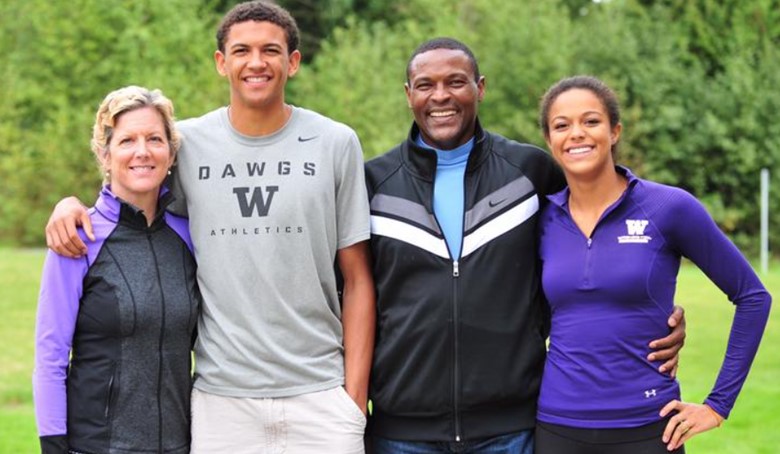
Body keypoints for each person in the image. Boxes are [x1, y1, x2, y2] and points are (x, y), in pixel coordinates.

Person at [44, 2, 375, 453]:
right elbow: (130, 184)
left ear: (293, 62)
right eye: (241, 50)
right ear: (222, 62)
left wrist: (353, 401)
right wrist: (68, 204)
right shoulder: (190, 143)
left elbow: (357, 279)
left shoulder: (336, 143)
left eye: (270, 50)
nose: (256, 63)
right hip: (222, 404)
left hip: (320, 396)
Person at [364, 38, 686, 454]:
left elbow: (598, 246)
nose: (440, 96)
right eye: (425, 85)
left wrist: (655, 314)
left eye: (456, 82)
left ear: (480, 88)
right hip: (400, 432)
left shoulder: (530, 172)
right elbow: (346, 293)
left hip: (511, 429)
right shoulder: (373, 182)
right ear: (409, 95)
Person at [534, 75, 772, 453]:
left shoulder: (668, 208)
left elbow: (753, 297)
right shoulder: (541, 218)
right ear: (550, 140)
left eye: (591, 121)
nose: (576, 133)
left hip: (650, 428)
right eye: (562, 125)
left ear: (615, 132)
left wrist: (717, 405)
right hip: (556, 428)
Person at [33, 86, 199, 453]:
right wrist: (53, 444)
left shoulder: (189, 237)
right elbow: (50, 357)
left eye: (155, 139)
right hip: (96, 446)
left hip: (177, 445)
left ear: (171, 154)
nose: (142, 151)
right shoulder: (76, 239)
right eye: (127, 141)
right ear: (105, 156)